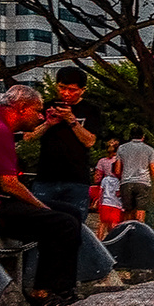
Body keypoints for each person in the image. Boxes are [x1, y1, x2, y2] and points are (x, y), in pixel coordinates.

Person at [0, 86, 82, 306]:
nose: (41, 116)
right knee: (63, 222)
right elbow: (9, 183)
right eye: (38, 110)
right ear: (22, 108)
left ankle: (59, 288)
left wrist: (42, 209)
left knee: (71, 213)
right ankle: (45, 291)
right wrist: (42, 207)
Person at [25, 66, 101, 220]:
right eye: (62, 88)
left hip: (77, 178)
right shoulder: (46, 106)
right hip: (45, 177)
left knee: (75, 223)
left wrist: (72, 121)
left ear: (82, 90)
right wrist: (47, 124)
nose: (66, 93)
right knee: (41, 221)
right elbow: (28, 137)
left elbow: (90, 141)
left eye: (72, 90)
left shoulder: (91, 110)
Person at [116, 127, 154, 225]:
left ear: (130, 136)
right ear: (143, 136)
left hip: (126, 182)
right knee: (141, 211)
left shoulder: (122, 148)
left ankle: (127, 231)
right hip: (143, 182)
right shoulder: (149, 149)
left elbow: (117, 170)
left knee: (127, 211)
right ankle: (139, 231)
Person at [93, 138, 122, 237]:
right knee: (114, 221)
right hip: (117, 188)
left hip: (106, 189)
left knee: (102, 222)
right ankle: (113, 240)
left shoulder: (102, 161)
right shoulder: (120, 161)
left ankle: (99, 241)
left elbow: (97, 178)